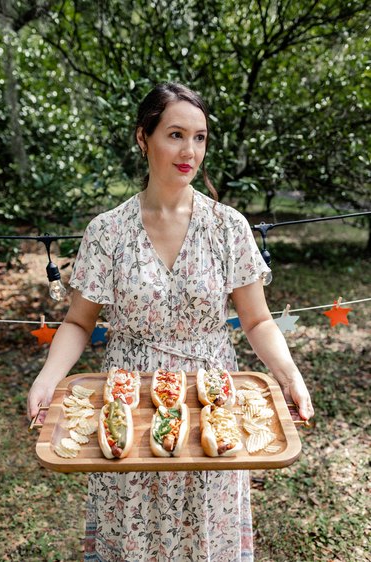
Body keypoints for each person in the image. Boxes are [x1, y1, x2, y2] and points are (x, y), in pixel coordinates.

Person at [27, 82, 314, 562]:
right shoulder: (107, 231)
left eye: (200, 137)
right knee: (135, 536)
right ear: (144, 138)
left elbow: (258, 319)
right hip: (128, 402)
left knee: (205, 536)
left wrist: (290, 376)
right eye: (176, 135)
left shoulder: (229, 227)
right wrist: (46, 379)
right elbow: (78, 324)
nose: (190, 151)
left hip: (211, 402)